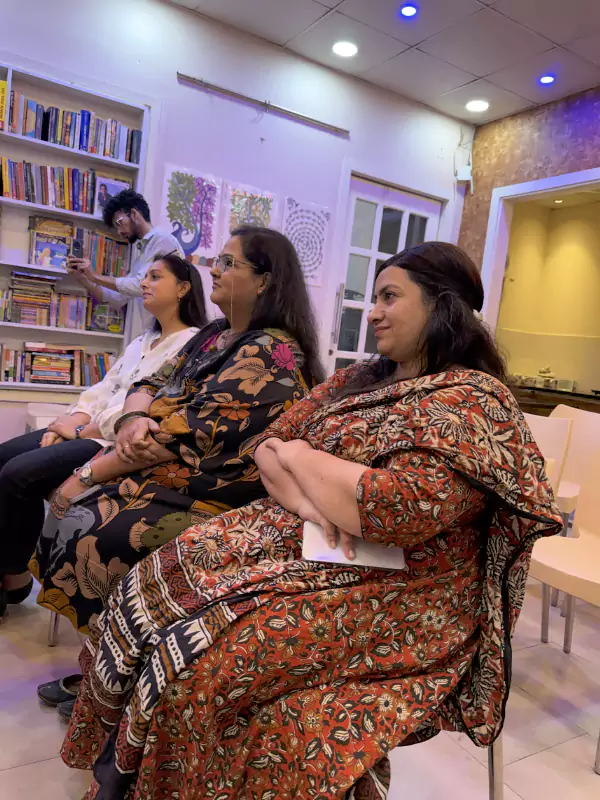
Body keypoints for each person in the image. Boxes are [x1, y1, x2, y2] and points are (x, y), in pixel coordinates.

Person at [59, 242, 562, 800]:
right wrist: (307, 498)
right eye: (374, 297)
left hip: (408, 590)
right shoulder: (365, 376)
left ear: (442, 306)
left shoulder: (473, 400)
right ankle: (121, 778)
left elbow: (388, 511)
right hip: (319, 542)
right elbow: (266, 448)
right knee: (157, 585)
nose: (372, 311)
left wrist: (301, 458)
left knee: (210, 661)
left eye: (389, 297)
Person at [33, 226, 323, 647]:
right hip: (161, 467)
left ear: (264, 280)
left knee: (100, 528)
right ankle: (103, 661)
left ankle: (118, 665)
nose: (214, 269)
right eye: (217, 259)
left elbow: (178, 436)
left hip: (210, 486)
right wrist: (133, 416)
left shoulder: (271, 351)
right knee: (77, 510)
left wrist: (88, 474)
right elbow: (149, 383)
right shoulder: (214, 332)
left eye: (228, 262)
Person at [0, 253, 207, 619]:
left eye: (155, 277)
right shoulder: (143, 341)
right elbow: (103, 389)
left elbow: (144, 410)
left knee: (18, 475)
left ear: (183, 288)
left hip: (110, 444)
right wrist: (65, 422)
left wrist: (78, 430)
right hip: (85, 430)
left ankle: (13, 575)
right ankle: (11, 574)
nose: (144, 283)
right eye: (145, 277)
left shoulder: (190, 346)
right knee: (3, 458)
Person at [68, 189, 183, 342]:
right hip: (152, 336)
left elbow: (139, 286)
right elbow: (118, 299)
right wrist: (83, 279)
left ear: (135, 214)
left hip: (171, 337)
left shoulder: (163, 241)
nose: (119, 232)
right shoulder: (141, 252)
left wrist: (94, 276)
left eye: (119, 223)